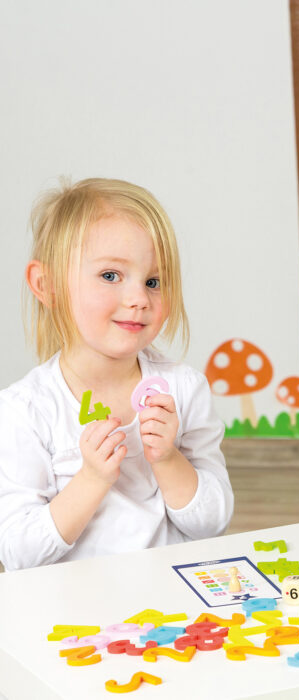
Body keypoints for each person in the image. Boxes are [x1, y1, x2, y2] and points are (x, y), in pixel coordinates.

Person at [0, 178, 234, 571]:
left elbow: (213, 524)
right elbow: (17, 553)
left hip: (173, 605)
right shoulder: (25, 410)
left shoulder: (184, 389)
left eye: (153, 281)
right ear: (48, 284)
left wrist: (168, 458)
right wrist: (91, 478)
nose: (139, 298)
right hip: (75, 619)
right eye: (111, 275)